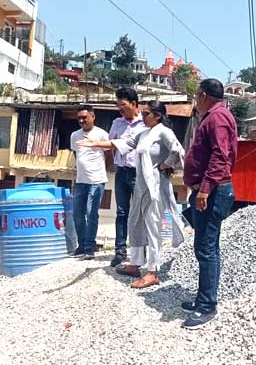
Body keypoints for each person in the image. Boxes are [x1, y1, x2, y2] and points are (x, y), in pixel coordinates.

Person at [78, 101, 185, 288]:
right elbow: (124, 143)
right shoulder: (143, 133)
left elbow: (178, 151)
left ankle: (152, 271)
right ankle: (135, 263)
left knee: (152, 226)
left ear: (157, 115)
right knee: (135, 221)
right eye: (142, 113)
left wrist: (165, 165)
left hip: (155, 185)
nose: (142, 117)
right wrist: (96, 143)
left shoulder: (163, 131)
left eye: (146, 114)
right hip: (141, 185)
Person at [181, 79, 238, 329]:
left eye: (196, 95)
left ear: (203, 95)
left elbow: (220, 156)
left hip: (213, 191)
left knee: (207, 247)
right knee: (204, 245)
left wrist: (204, 189)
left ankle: (207, 305)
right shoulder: (215, 116)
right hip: (208, 190)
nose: (196, 99)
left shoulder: (218, 118)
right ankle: (202, 298)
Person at [108, 87, 147, 267]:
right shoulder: (117, 123)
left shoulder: (145, 123)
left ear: (134, 104)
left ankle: (141, 251)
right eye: (118, 106)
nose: (120, 109)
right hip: (121, 171)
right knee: (121, 212)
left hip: (139, 173)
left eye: (123, 105)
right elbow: (111, 144)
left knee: (140, 213)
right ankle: (120, 251)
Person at [70, 105, 110, 260]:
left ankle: (89, 247)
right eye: (79, 118)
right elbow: (76, 154)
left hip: (97, 181)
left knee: (91, 213)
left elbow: (109, 153)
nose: (81, 121)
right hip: (80, 181)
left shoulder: (101, 134)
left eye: (84, 117)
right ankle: (81, 246)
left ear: (93, 116)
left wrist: (98, 169)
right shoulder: (75, 135)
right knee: (77, 214)